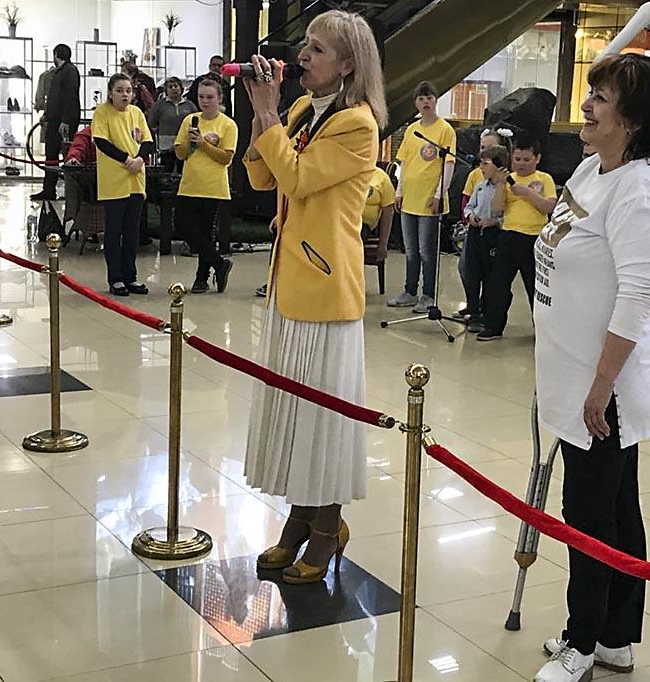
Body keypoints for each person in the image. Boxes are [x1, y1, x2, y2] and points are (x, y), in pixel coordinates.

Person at [533, 53, 650, 682]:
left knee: (589, 516)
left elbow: (640, 296)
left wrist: (600, 387)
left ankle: (583, 641)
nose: (587, 105)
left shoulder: (642, 191)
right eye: (590, 91)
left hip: (608, 389)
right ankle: (618, 636)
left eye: (601, 96)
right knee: (617, 507)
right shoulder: (593, 168)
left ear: (635, 119)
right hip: (575, 374)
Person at [241, 9, 385, 585]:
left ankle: (327, 527)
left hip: (327, 288)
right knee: (296, 414)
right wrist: (264, 117)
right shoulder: (303, 108)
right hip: (289, 283)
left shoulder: (359, 125)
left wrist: (268, 116)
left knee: (324, 418)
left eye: (318, 49)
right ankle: (300, 518)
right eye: (306, 44)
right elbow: (261, 177)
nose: (303, 56)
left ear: (348, 64)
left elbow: (298, 180)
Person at [476, 135, 557, 341]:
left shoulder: (544, 179)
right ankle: (493, 326)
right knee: (497, 284)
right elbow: (496, 209)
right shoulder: (507, 179)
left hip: (534, 239)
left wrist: (527, 193)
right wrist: (500, 186)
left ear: (537, 158)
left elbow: (549, 207)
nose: (521, 163)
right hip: (508, 236)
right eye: (517, 159)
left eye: (526, 159)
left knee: (535, 287)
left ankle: (542, 330)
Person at [387, 81, 456, 313]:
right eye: (421, 98)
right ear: (415, 103)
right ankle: (409, 291)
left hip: (429, 200)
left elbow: (448, 165)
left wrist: (439, 194)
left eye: (429, 98)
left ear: (436, 101)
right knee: (411, 250)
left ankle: (428, 294)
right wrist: (399, 192)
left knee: (427, 251)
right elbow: (404, 163)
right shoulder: (411, 130)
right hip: (409, 199)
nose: (425, 102)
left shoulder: (445, 130)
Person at [91, 73, 153, 296]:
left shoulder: (136, 113)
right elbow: (101, 141)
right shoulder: (102, 112)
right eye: (119, 90)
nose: (124, 95)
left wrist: (139, 160)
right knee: (114, 230)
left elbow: (148, 141)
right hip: (114, 181)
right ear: (110, 93)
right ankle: (115, 278)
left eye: (128, 91)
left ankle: (131, 277)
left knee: (132, 232)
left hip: (136, 179)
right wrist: (127, 160)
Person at [174, 78, 237, 294]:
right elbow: (180, 153)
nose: (205, 101)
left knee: (205, 232)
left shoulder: (228, 125)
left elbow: (225, 158)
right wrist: (190, 142)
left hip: (213, 187)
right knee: (182, 227)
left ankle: (202, 278)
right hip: (189, 184)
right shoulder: (189, 120)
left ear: (219, 99)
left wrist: (203, 144)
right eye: (201, 97)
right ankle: (219, 263)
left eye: (210, 97)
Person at [459, 127, 512, 321]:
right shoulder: (480, 185)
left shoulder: (507, 187)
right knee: (471, 271)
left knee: (490, 276)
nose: (481, 168)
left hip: (493, 235)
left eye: (485, 164)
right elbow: (469, 205)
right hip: (475, 233)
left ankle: (487, 312)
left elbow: (507, 213)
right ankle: (473, 307)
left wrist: (495, 221)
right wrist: (470, 216)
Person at [32, 44, 80, 201]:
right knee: (51, 155)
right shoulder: (60, 72)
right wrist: (46, 115)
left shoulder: (69, 71)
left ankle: (69, 191)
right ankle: (48, 189)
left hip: (62, 122)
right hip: (54, 120)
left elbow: (70, 97)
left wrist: (66, 120)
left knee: (65, 155)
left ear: (56, 54)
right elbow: (54, 98)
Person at [147, 76, 197, 171]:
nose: (174, 89)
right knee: (167, 170)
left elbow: (196, 121)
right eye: (170, 87)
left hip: (184, 142)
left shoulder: (189, 105)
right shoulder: (159, 105)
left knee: (183, 169)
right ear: (166, 90)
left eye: (176, 86)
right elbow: (152, 122)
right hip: (166, 144)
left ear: (181, 88)